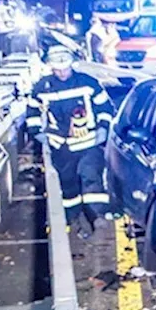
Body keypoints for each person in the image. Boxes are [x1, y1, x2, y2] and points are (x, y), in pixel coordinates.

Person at [27, 45, 116, 237]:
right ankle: (72, 218)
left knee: (91, 178)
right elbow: (32, 112)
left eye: (65, 68)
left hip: (88, 143)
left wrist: (102, 128)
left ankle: (97, 216)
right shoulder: (42, 87)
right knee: (68, 185)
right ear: (51, 67)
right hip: (61, 146)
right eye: (57, 69)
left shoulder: (88, 82)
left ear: (71, 64)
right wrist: (37, 132)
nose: (61, 73)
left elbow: (106, 108)